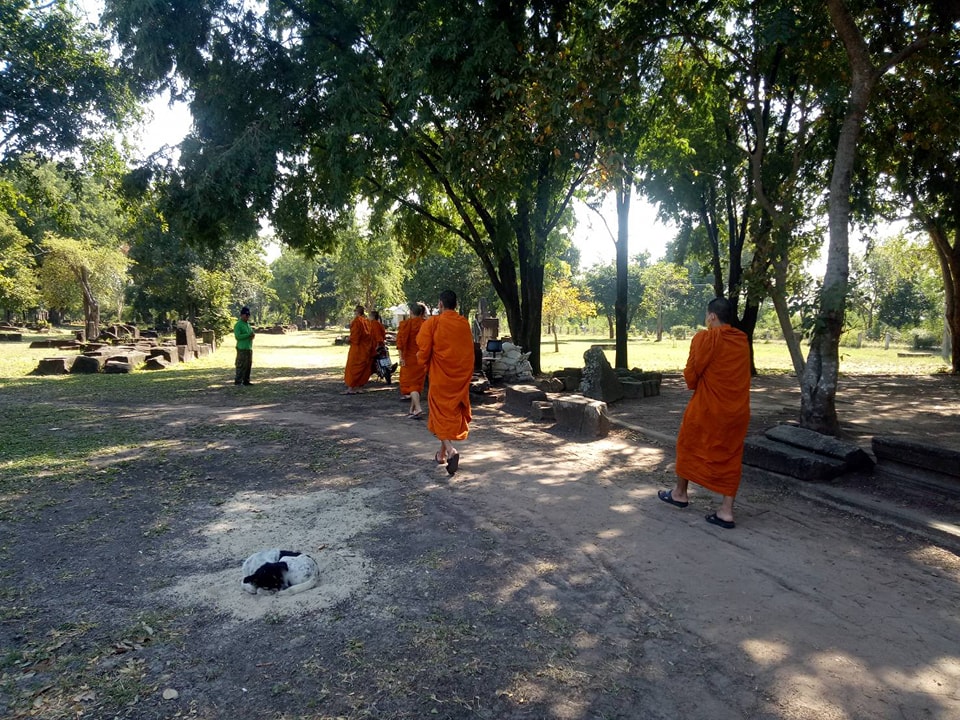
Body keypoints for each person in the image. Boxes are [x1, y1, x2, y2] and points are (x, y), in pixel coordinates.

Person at [658, 296, 751, 529]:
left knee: (688, 444)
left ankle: (680, 493)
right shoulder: (741, 340)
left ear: (712, 316)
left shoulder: (705, 338)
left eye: (707, 316)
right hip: (737, 411)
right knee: (731, 455)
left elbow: (691, 377)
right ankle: (726, 511)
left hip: (709, 409)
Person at [417, 290, 475, 476]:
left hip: (440, 378)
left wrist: (422, 360)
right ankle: (440, 455)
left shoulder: (433, 323)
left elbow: (424, 349)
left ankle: (450, 451)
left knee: (438, 415)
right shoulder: (463, 323)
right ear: (455, 305)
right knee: (447, 415)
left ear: (440, 304)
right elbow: (468, 352)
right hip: (458, 378)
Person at [396, 302, 428, 417]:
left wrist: (401, 358)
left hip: (409, 358)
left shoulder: (405, 324)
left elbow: (400, 343)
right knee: (417, 384)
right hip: (422, 358)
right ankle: (412, 410)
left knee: (412, 385)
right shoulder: (426, 324)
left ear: (410, 312)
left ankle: (418, 408)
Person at [343, 305, 372, 394]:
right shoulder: (367, 322)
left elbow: (355, 337)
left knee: (352, 367)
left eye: (355, 311)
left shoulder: (357, 321)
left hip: (357, 348)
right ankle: (360, 387)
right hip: (366, 348)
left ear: (357, 312)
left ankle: (351, 388)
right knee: (363, 367)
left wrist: (348, 339)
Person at [233, 306, 255, 386]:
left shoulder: (248, 325)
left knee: (248, 365)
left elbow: (250, 333)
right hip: (242, 348)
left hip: (248, 347)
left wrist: (252, 335)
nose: (247, 317)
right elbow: (238, 336)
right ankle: (238, 381)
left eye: (248, 315)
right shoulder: (238, 325)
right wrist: (248, 335)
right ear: (241, 315)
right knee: (241, 365)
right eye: (246, 315)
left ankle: (246, 380)